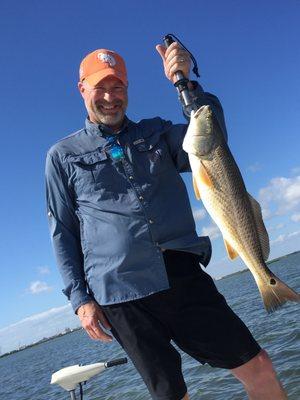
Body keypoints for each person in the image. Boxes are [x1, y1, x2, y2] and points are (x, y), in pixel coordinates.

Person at [45, 42, 287, 400]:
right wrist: (81, 299)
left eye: (118, 87)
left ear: (127, 90)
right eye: (101, 88)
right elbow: (62, 232)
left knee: (260, 367)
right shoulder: (62, 156)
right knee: (171, 396)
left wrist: (183, 81)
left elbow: (212, 137)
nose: (110, 97)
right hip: (120, 294)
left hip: (181, 275)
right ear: (82, 89)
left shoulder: (158, 133)